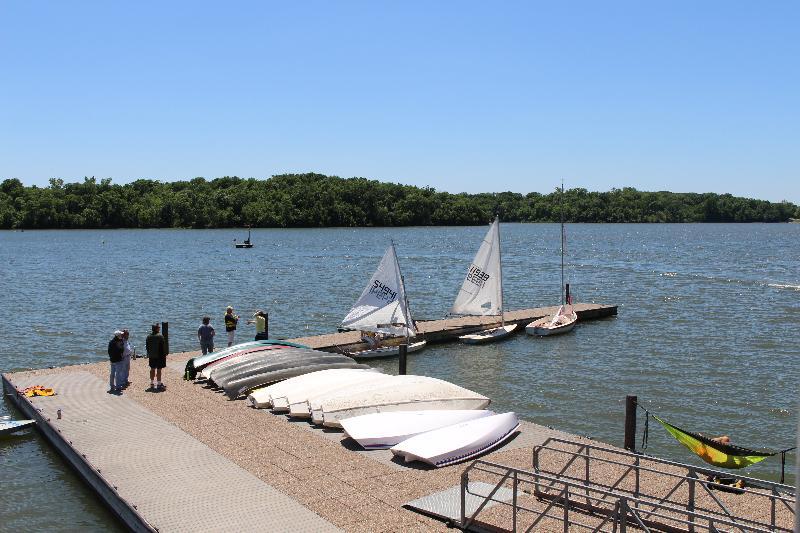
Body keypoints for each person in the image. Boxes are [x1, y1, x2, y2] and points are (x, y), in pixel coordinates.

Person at [146, 323, 167, 391]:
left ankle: (152, 383)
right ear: (157, 329)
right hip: (159, 356)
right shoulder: (160, 336)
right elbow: (163, 347)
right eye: (159, 328)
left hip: (151, 356)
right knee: (159, 370)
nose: (159, 328)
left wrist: (149, 353)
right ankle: (159, 384)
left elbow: (147, 347)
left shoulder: (148, 337)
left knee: (152, 369)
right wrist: (164, 355)